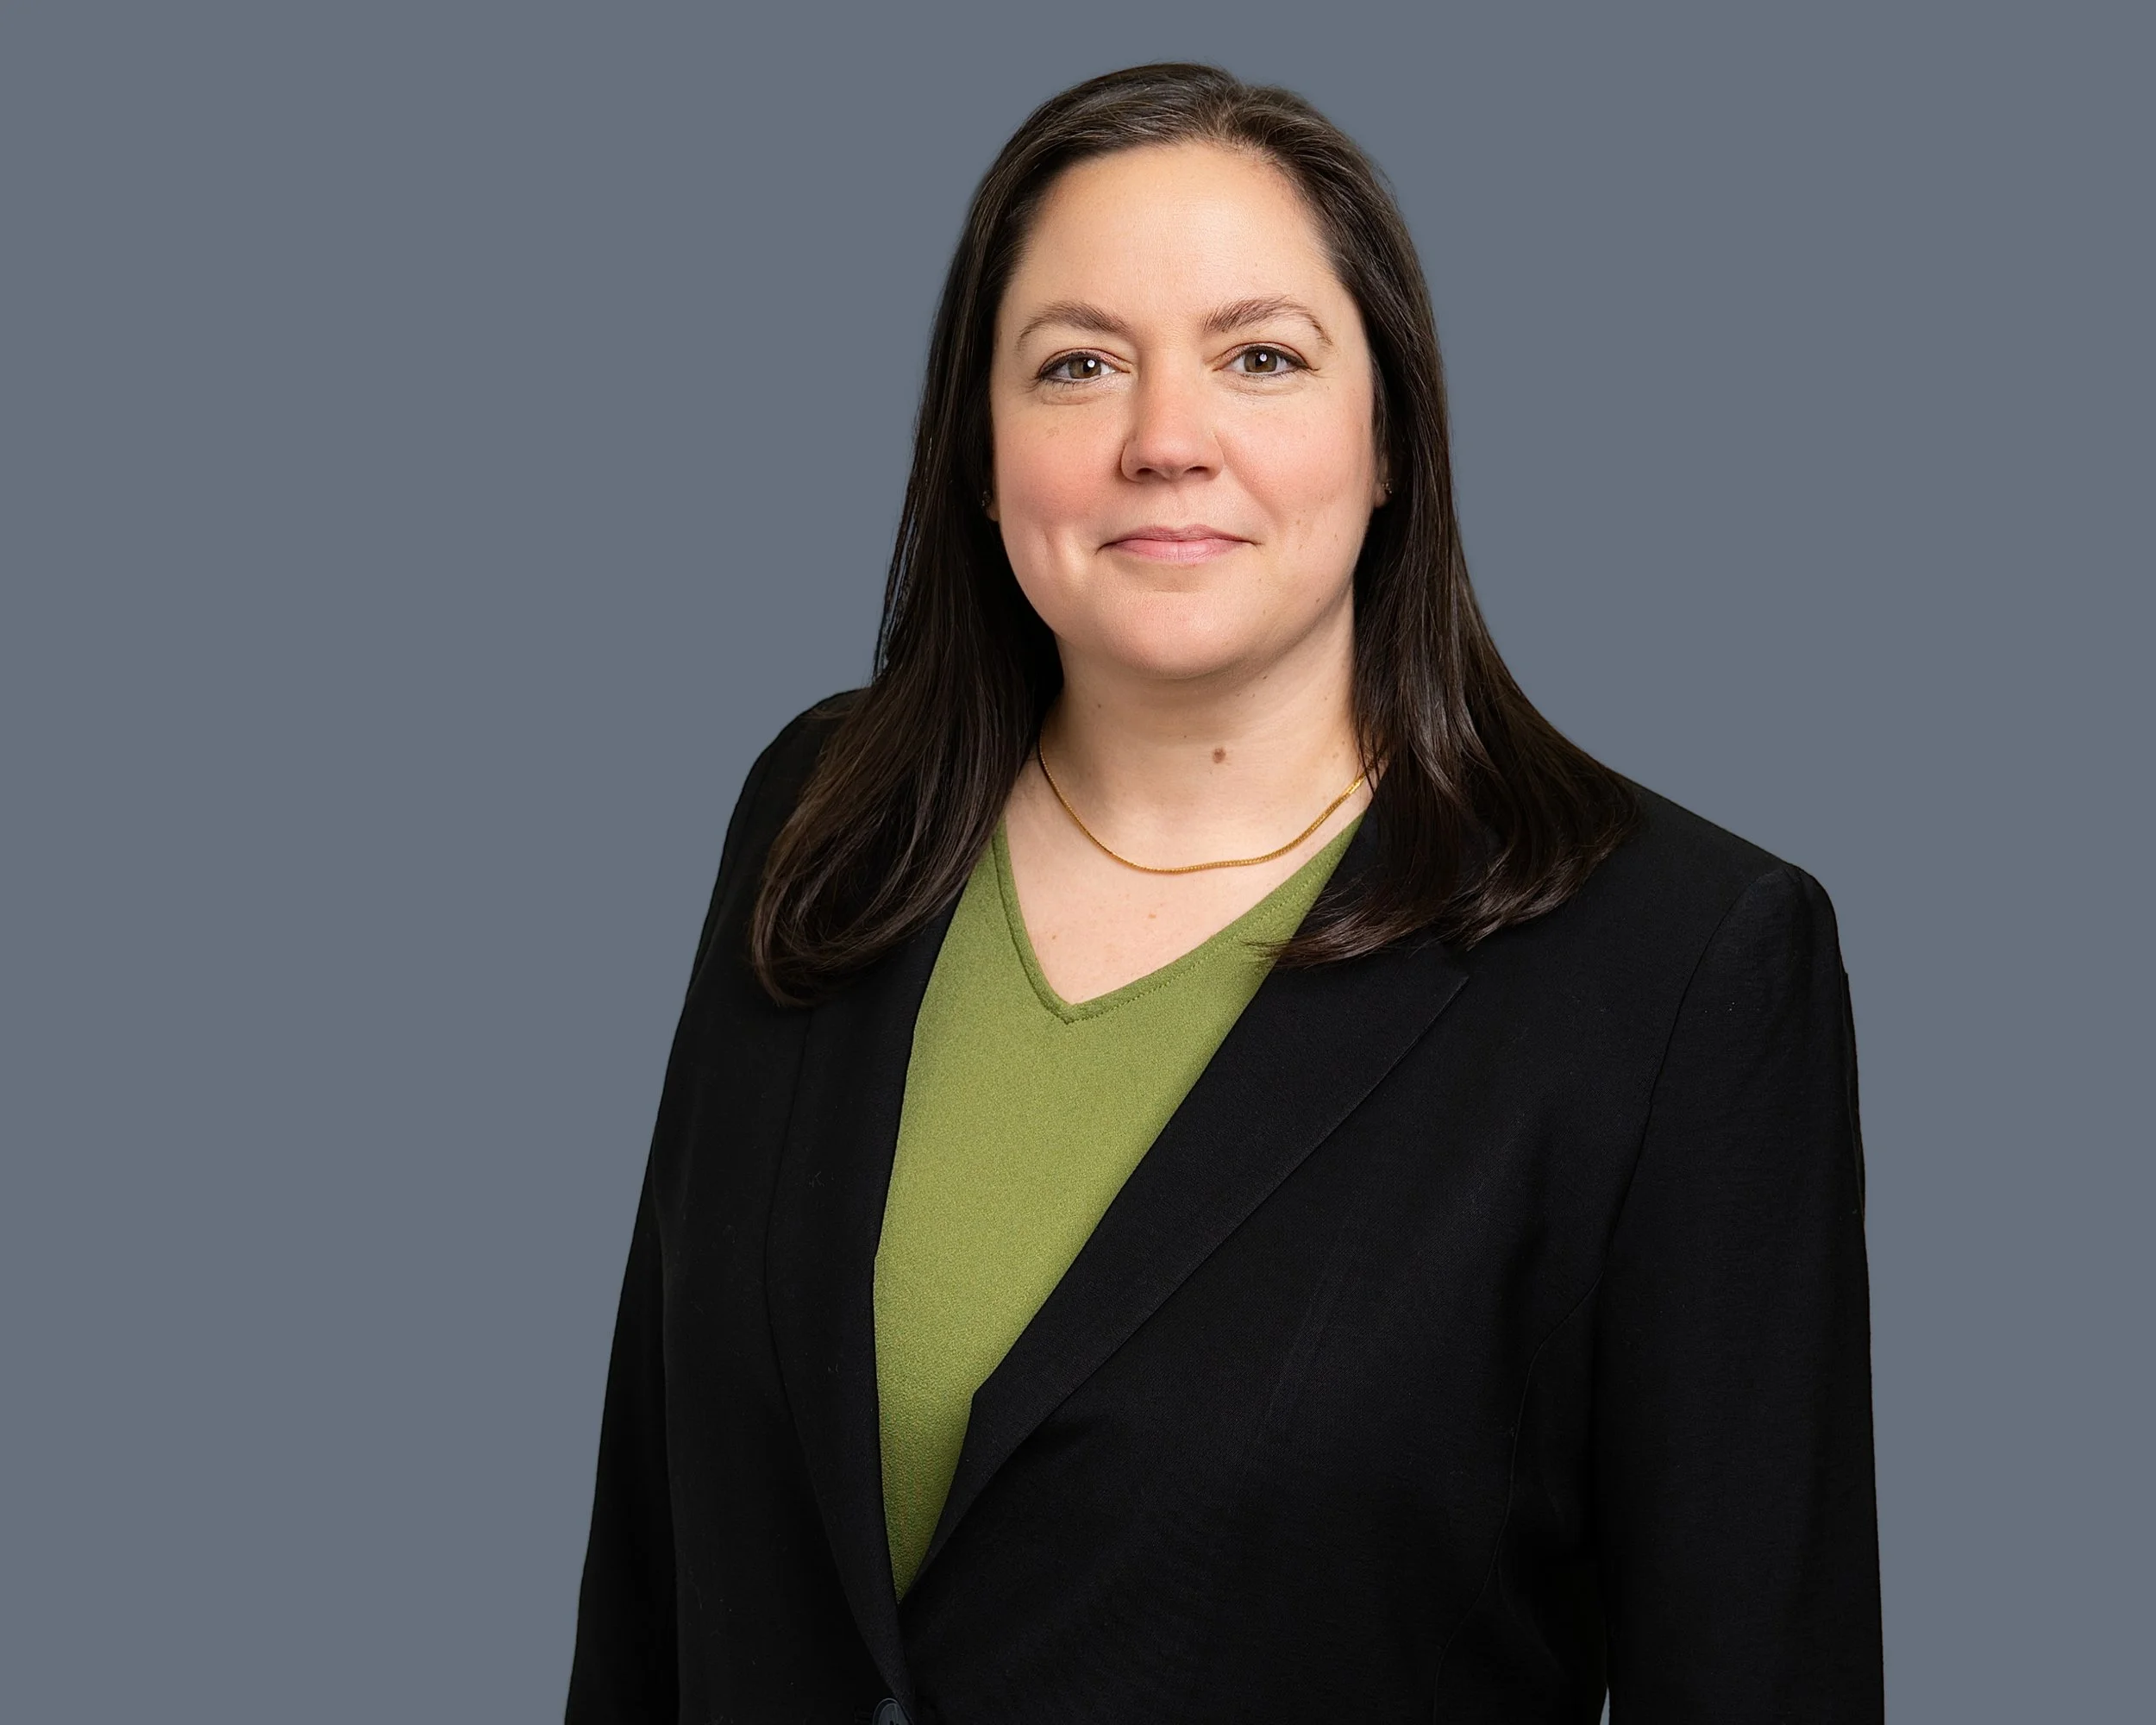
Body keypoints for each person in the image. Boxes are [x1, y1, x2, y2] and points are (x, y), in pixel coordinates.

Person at [566, 62, 1882, 1723]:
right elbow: (650, 1569)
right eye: (1077, 365)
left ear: (1390, 437)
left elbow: (1760, 1672)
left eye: (1260, 359)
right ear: (979, 455)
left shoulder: (1680, 970)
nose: (1163, 442)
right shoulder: (822, 814)